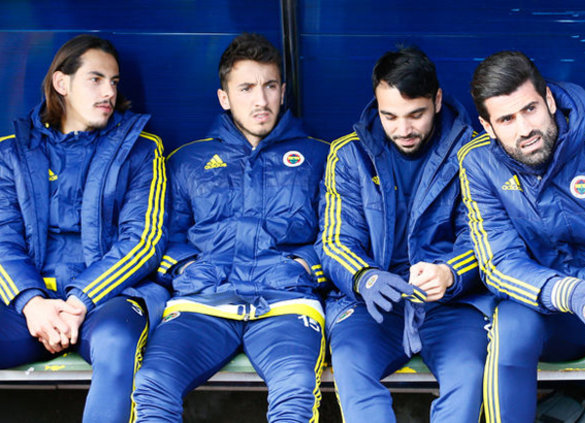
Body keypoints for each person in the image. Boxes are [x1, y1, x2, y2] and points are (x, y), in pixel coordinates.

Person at [132, 33, 330, 422]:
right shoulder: (187, 160)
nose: (261, 100)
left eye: (270, 86)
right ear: (224, 97)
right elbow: (161, 237)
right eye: (246, 88)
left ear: (283, 91)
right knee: (153, 384)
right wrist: (185, 267)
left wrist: (304, 266)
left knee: (295, 390)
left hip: (285, 303)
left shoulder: (320, 157)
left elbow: (337, 237)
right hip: (202, 302)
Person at [461, 50, 585, 422]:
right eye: (506, 119)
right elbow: (499, 263)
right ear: (487, 126)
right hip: (556, 310)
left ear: (549, 100)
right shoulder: (478, 163)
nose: (525, 129)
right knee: (511, 325)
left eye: (530, 109)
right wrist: (568, 293)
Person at [316, 46, 491, 423]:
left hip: (451, 303)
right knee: (350, 363)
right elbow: (334, 240)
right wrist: (365, 277)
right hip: (374, 303)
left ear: (437, 100)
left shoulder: (473, 153)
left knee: (467, 374)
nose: (403, 129)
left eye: (416, 114)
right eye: (389, 116)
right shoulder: (349, 155)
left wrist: (451, 272)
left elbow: (485, 238)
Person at [0, 34, 168, 422]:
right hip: (29, 303)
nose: (109, 92)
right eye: (95, 79)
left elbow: (143, 241)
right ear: (61, 83)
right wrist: (33, 304)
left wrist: (79, 303)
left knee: (117, 343)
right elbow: (3, 238)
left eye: (114, 81)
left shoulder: (142, 150)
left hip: (107, 300)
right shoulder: (11, 152)